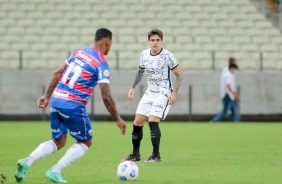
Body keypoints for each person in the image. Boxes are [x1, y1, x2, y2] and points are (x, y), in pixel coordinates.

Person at [15, 28, 126, 183]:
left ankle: (27, 161)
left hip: (56, 100)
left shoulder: (78, 53)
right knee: (86, 141)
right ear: (108, 43)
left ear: (95, 40)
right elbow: (106, 97)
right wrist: (118, 119)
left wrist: (47, 96)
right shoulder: (101, 63)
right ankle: (55, 171)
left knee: (58, 141)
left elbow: (57, 73)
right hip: (73, 104)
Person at [122, 29, 183, 162]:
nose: (155, 43)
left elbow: (179, 75)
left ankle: (156, 155)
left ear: (162, 41)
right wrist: (132, 88)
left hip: (164, 92)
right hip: (150, 92)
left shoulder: (168, 56)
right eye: (152, 40)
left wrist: (174, 92)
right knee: (137, 122)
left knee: (152, 120)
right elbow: (140, 72)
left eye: (158, 40)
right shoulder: (144, 54)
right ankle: (135, 154)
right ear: (149, 41)